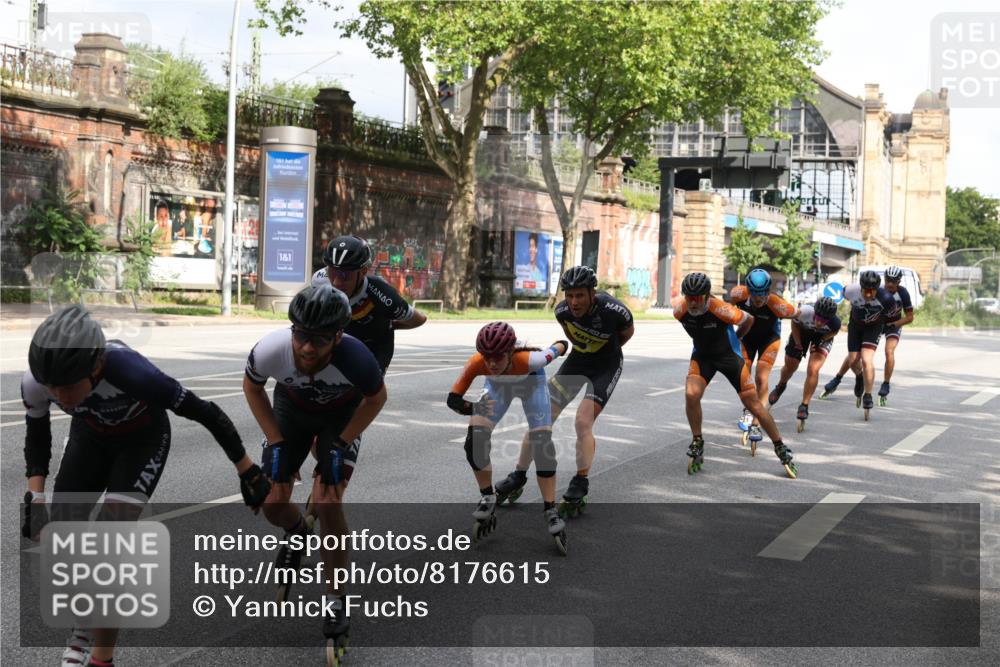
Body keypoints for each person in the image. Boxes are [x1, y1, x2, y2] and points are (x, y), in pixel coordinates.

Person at [20, 305, 270, 667]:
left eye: (68, 386)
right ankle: (83, 625)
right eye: (52, 388)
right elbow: (37, 434)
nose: (59, 395)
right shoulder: (36, 381)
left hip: (142, 441)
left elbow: (206, 412)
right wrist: (36, 496)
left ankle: (101, 659)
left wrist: (247, 470)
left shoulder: (132, 372)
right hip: (90, 438)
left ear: (96, 367)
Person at [242, 284, 386, 656]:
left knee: (328, 502)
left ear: (338, 337)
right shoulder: (271, 349)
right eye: (301, 336)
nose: (307, 348)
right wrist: (275, 441)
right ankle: (297, 530)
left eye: (320, 340)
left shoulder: (357, 358)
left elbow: (376, 399)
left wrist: (341, 444)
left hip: (341, 418)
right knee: (273, 503)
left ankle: (336, 601)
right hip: (291, 413)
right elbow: (252, 388)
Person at [501, 265, 634, 517]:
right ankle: (518, 474)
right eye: (570, 295)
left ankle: (580, 481)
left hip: (606, 366)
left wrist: (606, 350)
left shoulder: (615, 310)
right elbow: (571, 336)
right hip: (578, 361)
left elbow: (627, 333)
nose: (574, 302)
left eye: (580, 295)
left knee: (583, 422)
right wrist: (587, 347)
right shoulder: (561, 311)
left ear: (592, 293)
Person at [447, 322, 569, 553]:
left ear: (511, 352)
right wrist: (477, 408)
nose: (492, 363)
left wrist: (560, 345)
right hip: (497, 388)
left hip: (532, 384)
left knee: (542, 442)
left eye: (498, 357)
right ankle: (487, 497)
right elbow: (453, 400)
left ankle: (550, 509)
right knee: (475, 440)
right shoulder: (477, 362)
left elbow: (560, 346)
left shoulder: (532, 360)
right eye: (487, 357)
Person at [673, 272, 796, 477]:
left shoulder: (722, 310)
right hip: (702, 357)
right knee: (691, 394)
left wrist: (737, 339)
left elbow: (749, 319)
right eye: (689, 297)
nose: (693, 302)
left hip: (729, 358)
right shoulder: (679, 311)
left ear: (707, 296)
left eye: (697, 298)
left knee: (754, 405)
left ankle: (780, 447)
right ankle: (697, 441)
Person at [312, 234, 427, 373]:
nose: (336, 282)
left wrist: (391, 326)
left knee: (369, 384)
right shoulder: (319, 280)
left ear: (363, 272)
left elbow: (420, 319)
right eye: (332, 272)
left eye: (345, 275)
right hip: (343, 336)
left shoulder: (384, 296)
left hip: (375, 346)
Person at [728, 268, 798, 446]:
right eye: (755, 295)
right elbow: (728, 309)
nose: (759, 300)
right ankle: (748, 407)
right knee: (743, 374)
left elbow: (798, 315)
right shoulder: (738, 294)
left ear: (768, 291)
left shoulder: (778, 304)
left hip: (769, 340)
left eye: (763, 295)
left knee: (761, 376)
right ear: (748, 291)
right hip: (748, 338)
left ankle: (756, 423)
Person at [820, 270, 898, 417]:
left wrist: (886, 328)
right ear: (860, 287)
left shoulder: (887, 299)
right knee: (853, 360)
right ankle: (860, 377)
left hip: (873, 328)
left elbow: (893, 317)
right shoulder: (850, 290)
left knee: (867, 359)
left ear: (877, 289)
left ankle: (868, 395)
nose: (868, 294)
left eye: (872, 291)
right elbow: (837, 299)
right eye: (865, 290)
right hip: (855, 326)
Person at [767, 296, 842, 431]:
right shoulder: (805, 311)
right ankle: (781, 385)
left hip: (821, 337)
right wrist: (798, 344)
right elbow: (794, 323)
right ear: (814, 312)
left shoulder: (835, 323)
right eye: (818, 318)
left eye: (824, 320)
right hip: (802, 333)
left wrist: (821, 340)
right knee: (791, 365)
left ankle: (804, 405)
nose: (819, 322)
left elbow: (834, 332)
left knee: (813, 369)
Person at [878, 266, 915, 405]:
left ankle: (886, 383)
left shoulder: (903, 293)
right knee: (858, 352)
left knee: (889, 351)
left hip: (894, 325)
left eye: (893, 282)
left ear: (899, 282)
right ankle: (838, 378)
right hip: (877, 324)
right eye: (887, 280)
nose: (890, 284)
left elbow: (910, 317)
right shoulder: (879, 291)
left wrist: (894, 324)